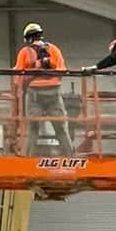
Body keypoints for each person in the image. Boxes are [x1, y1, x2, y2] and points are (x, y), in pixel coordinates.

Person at [14, 21, 72, 155]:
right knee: (61, 129)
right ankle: (70, 158)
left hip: (34, 94)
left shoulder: (25, 52)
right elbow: (62, 70)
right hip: (54, 94)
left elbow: (17, 78)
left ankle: (29, 161)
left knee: (33, 129)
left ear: (28, 38)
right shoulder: (54, 49)